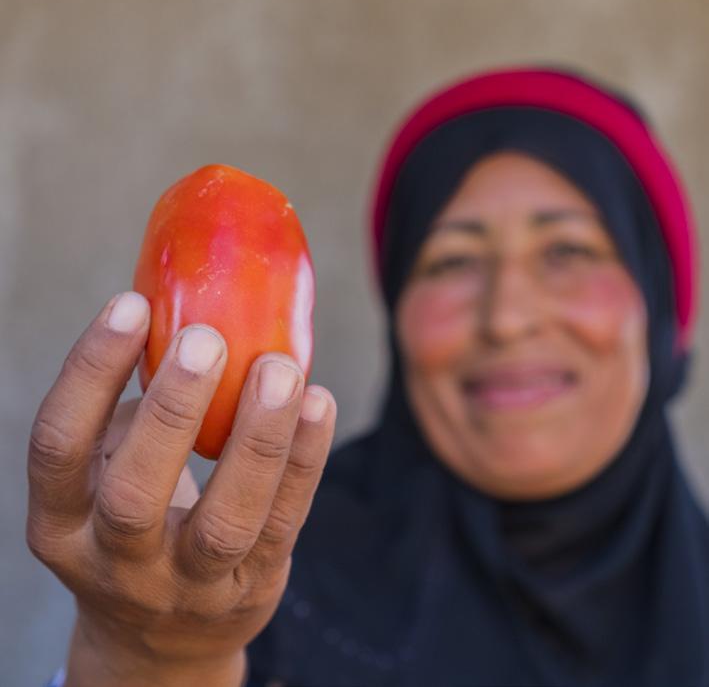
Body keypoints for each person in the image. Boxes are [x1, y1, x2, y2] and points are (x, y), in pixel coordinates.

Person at [31, 67, 709, 687]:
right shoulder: (248, 583)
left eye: (566, 250)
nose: (505, 318)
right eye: (451, 261)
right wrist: (156, 657)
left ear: (658, 308)